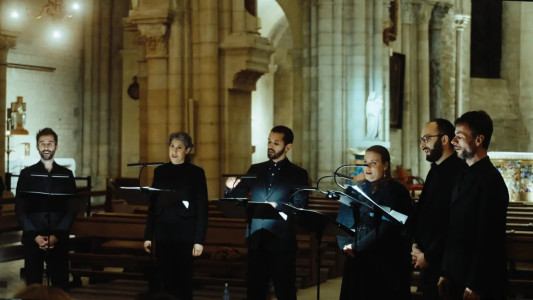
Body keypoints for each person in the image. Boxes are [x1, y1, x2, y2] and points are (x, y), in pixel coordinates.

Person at [225, 125, 309, 300]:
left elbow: (300, 205)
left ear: (288, 147)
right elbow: (238, 197)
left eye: (276, 143)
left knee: (285, 292)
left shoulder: (298, 174)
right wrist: (230, 189)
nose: (270, 146)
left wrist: (277, 207)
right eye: (269, 141)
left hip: (282, 243)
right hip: (256, 241)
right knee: (255, 292)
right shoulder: (256, 169)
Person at [438, 111, 509, 299]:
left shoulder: (491, 181)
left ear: (478, 140)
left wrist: (475, 285)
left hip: (479, 284)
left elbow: (489, 239)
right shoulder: (463, 175)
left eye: (460, 137)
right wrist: (445, 271)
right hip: (457, 275)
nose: (453, 142)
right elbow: (453, 228)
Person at [339, 145, 413, 300]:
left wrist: (356, 247)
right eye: (365, 162)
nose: (368, 167)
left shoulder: (395, 191)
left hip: (382, 258)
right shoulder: (356, 189)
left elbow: (388, 226)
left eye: (374, 163)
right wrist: (345, 245)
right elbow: (342, 220)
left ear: (385, 165)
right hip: (355, 256)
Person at [143, 132, 208, 300]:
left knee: (184, 280)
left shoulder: (196, 173)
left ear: (187, 150)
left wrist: (199, 240)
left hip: (185, 234)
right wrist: (148, 236)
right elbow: (152, 206)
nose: (174, 151)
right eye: (172, 146)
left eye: (179, 147)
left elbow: (202, 208)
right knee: (165, 279)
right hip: (163, 232)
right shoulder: (160, 171)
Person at [411, 119, 468, 299]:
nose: (422, 144)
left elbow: (454, 222)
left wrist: (429, 255)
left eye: (426, 138)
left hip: (445, 264)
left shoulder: (460, 172)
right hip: (426, 258)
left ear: (444, 140)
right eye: (421, 139)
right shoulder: (434, 169)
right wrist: (415, 245)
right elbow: (423, 212)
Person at [15, 128, 77, 290]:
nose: (46, 147)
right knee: (33, 287)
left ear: (56, 146)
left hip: (59, 238)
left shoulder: (66, 174)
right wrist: (35, 235)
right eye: (42, 143)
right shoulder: (27, 174)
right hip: (32, 238)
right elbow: (21, 209)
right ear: (37, 146)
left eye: (50, 143)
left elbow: (71, 210)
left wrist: (57, 235)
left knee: (60, 285)